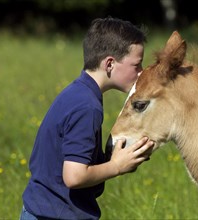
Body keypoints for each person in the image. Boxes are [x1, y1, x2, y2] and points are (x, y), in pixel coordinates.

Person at [20, 17, 154, 220]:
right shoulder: (87, 107)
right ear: (109, 64)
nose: (141, 72)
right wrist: (116, 166)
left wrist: (118, 157)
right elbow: (74, 176)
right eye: (137, 65)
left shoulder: (77, 93)